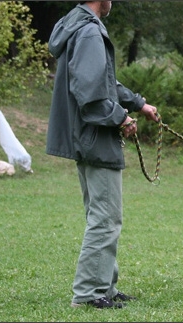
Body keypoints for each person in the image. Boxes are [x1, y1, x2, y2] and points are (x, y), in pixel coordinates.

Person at [47, 1, 159, 309]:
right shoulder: (89, 32)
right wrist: (120, 118)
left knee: (103, 213)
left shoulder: (76, 25)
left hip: (87, 134)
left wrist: (137, 103)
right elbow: (91, 94)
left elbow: (103, 82)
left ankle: (105, 286)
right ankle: (88, 294)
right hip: (96, 135)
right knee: (105, 218)